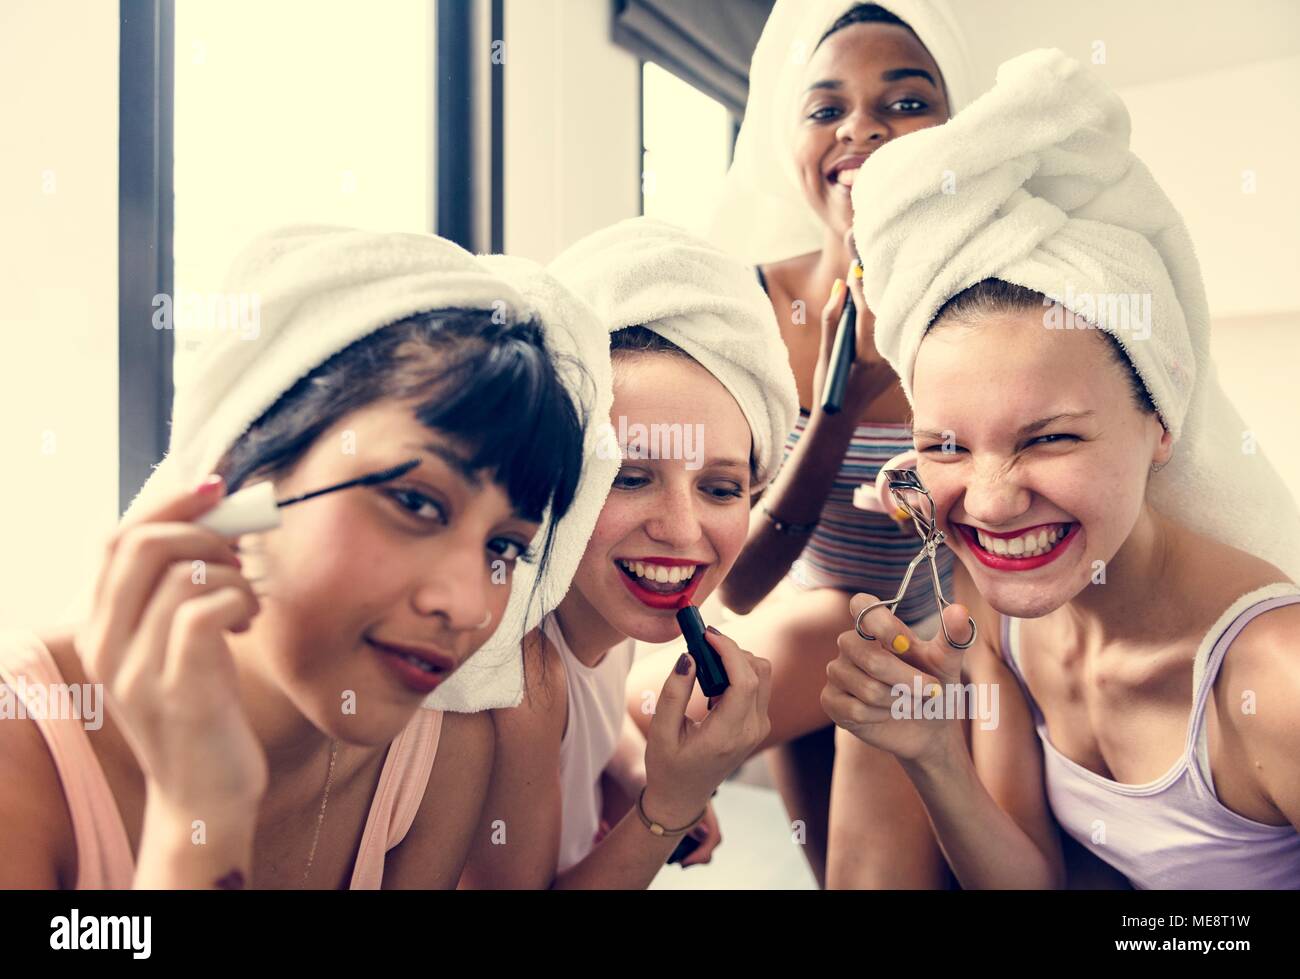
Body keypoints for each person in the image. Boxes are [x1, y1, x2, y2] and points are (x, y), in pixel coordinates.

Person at [0, 226, 608, 889]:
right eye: (416, 501)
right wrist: (199, 815)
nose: (467, 604)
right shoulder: (23, 747)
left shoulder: (442, 756)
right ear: (238, 484)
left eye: (505, 547)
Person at [823, 49, 1300, 888]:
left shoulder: (1276, 676)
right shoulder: (998, 609)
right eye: (946, 446)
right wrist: (933, 755)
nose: (995, 502)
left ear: (1159, 421)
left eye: (1049, 439)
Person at [460, 218, 797, 888]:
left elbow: (590, 721)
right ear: (559, 472)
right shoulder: (518, 672)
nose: (680, 528)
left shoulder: (601, 622)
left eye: (720, 487)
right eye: (631, 476)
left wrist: (639, 766)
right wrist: (665, 810)